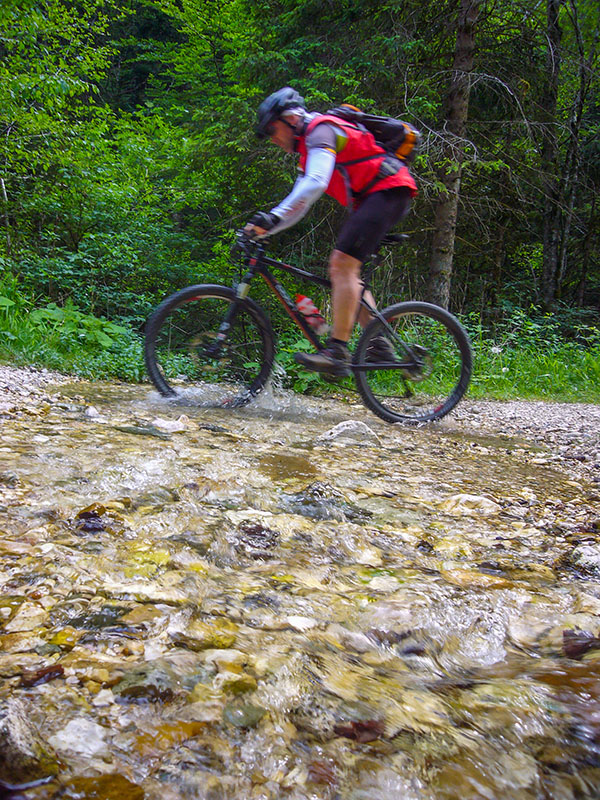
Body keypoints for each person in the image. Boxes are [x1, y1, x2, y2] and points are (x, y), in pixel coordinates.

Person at [244, 87, 417, 377]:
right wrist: (268, 229)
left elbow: (315, 183)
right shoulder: (308, 149)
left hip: (389, 191)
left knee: (341, 264)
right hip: (380, 196)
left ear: (290, 119)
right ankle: (379, 343)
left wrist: (272, 218)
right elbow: (300, 204)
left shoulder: (320, 130)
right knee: (347, 270)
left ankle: (337, 351)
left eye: (272, 130)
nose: (273, 139)